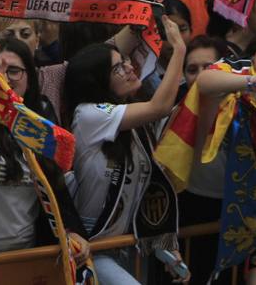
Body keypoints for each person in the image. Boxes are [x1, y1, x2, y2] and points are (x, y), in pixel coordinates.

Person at [66, 19, 187, 284]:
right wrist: (178, 49)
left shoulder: (133, 125)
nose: (130, 68)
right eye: (118, 67)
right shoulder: (88, 115)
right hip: (90, 246)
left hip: (127, 245)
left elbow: (144, 189)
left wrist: (163, 242)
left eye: (125, 61)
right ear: (97, 80)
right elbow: (160, 106)